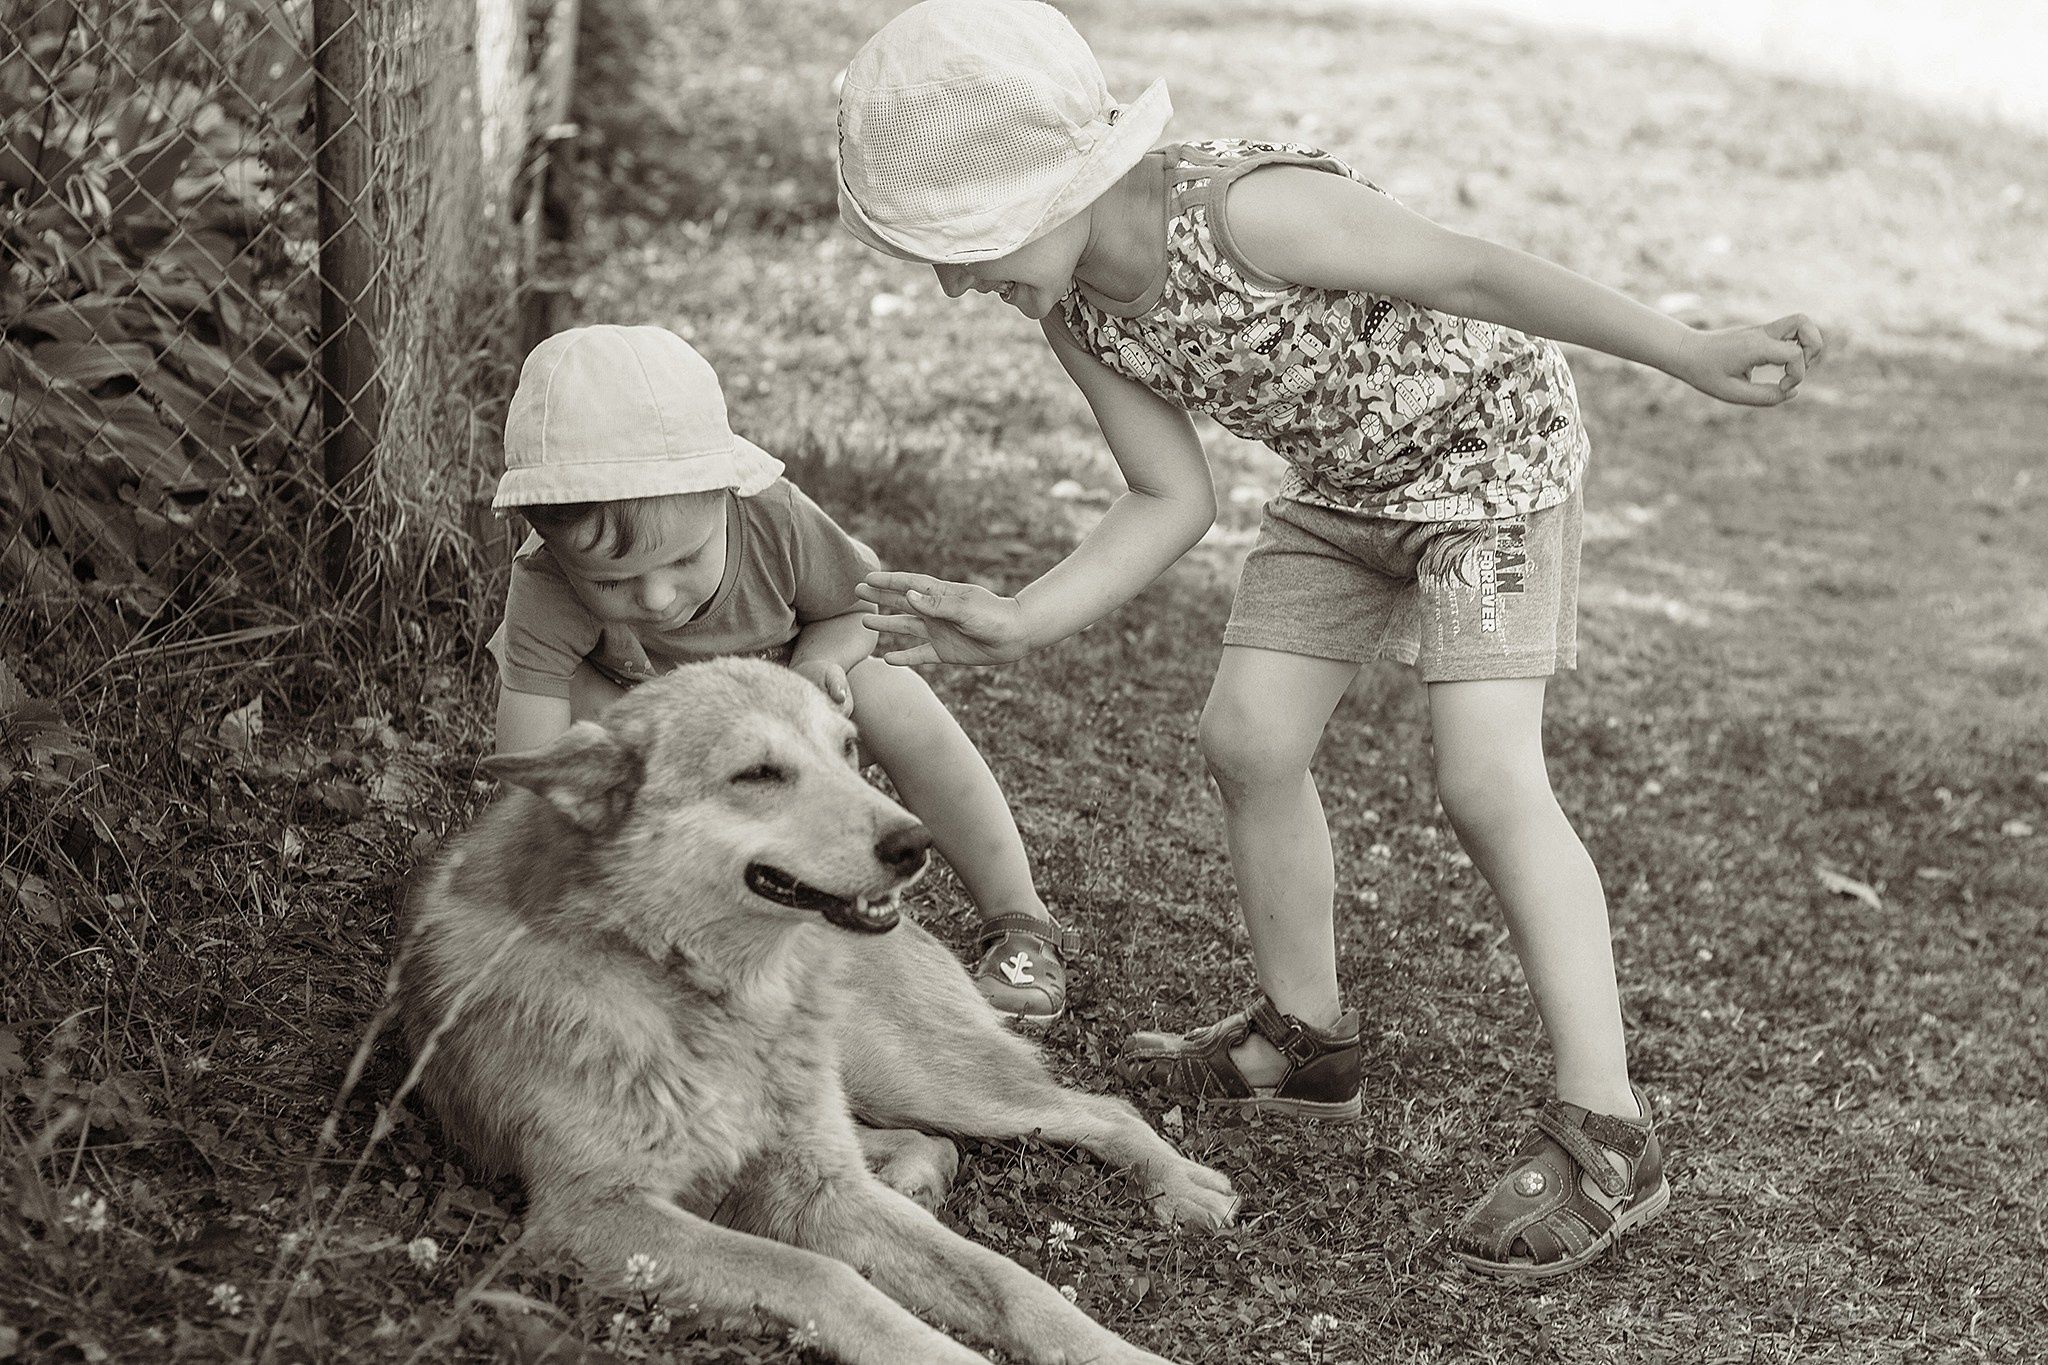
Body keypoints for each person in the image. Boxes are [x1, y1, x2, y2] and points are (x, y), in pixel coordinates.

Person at [834, 0, 1824, 1278]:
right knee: (1245, 740)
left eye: (966, 245)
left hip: (1489, 482)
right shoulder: (1073, 306)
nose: (955, 282)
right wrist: (1019, 617)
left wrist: (1682, 350)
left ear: (1063, 180)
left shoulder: (1249, 215)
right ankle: (1305, 1041)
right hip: (1343, 498)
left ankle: (1609, 1130)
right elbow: (1166, 496)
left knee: (1484, 782)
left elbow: (1472, 272)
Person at [487, 324, 1078, 1024]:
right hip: (673, 741)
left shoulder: (774, 522)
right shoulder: (545, 584)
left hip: (794, 695)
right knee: (589, 718)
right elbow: (532, 756)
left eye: (684, 560)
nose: (654, 597)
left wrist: (817, 666)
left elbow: (865, 609)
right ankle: (645, 905)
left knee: (888, 688)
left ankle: (1017, 915)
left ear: (726, 496)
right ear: (550, 545)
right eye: (611, 581)